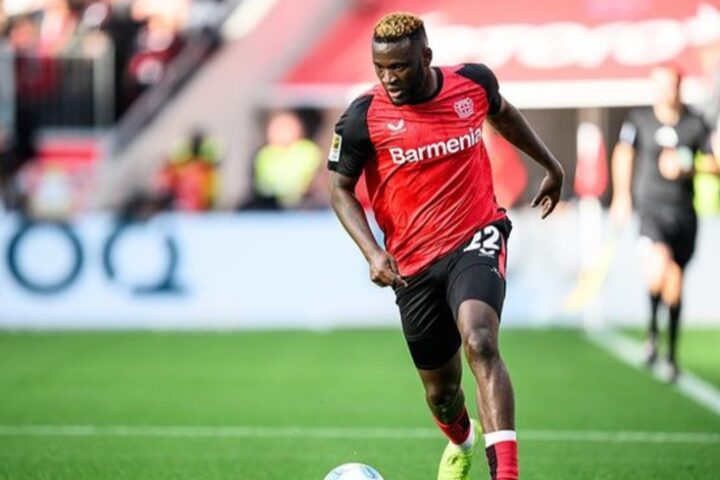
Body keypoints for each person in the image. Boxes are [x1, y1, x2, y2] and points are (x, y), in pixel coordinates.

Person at [327, 12, 563, 480]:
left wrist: (550, 165)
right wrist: (372, 252)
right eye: (380, 68)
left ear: (426, 57)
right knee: (442, 393)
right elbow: (339, 188)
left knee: (480, 340)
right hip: (411, 265)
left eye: (400, 66)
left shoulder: (472, 84)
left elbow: (503, 113)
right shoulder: (361, 117)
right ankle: (462, 440)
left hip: (476, 234)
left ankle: (506, 475)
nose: (390, 78)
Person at [610, 65, 718, 383]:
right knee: (658, 267)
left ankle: (669, 351)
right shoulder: (639, 120)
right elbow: (623, 155)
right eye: (661, 85)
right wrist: (621, 196)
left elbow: (714, 162)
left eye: (671, 85)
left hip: (683, 212)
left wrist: (687, 167)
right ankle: (652, 334)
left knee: (675, 282)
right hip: (651, 210)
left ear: (680, 87)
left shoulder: (695, 123)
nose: (666, 91)